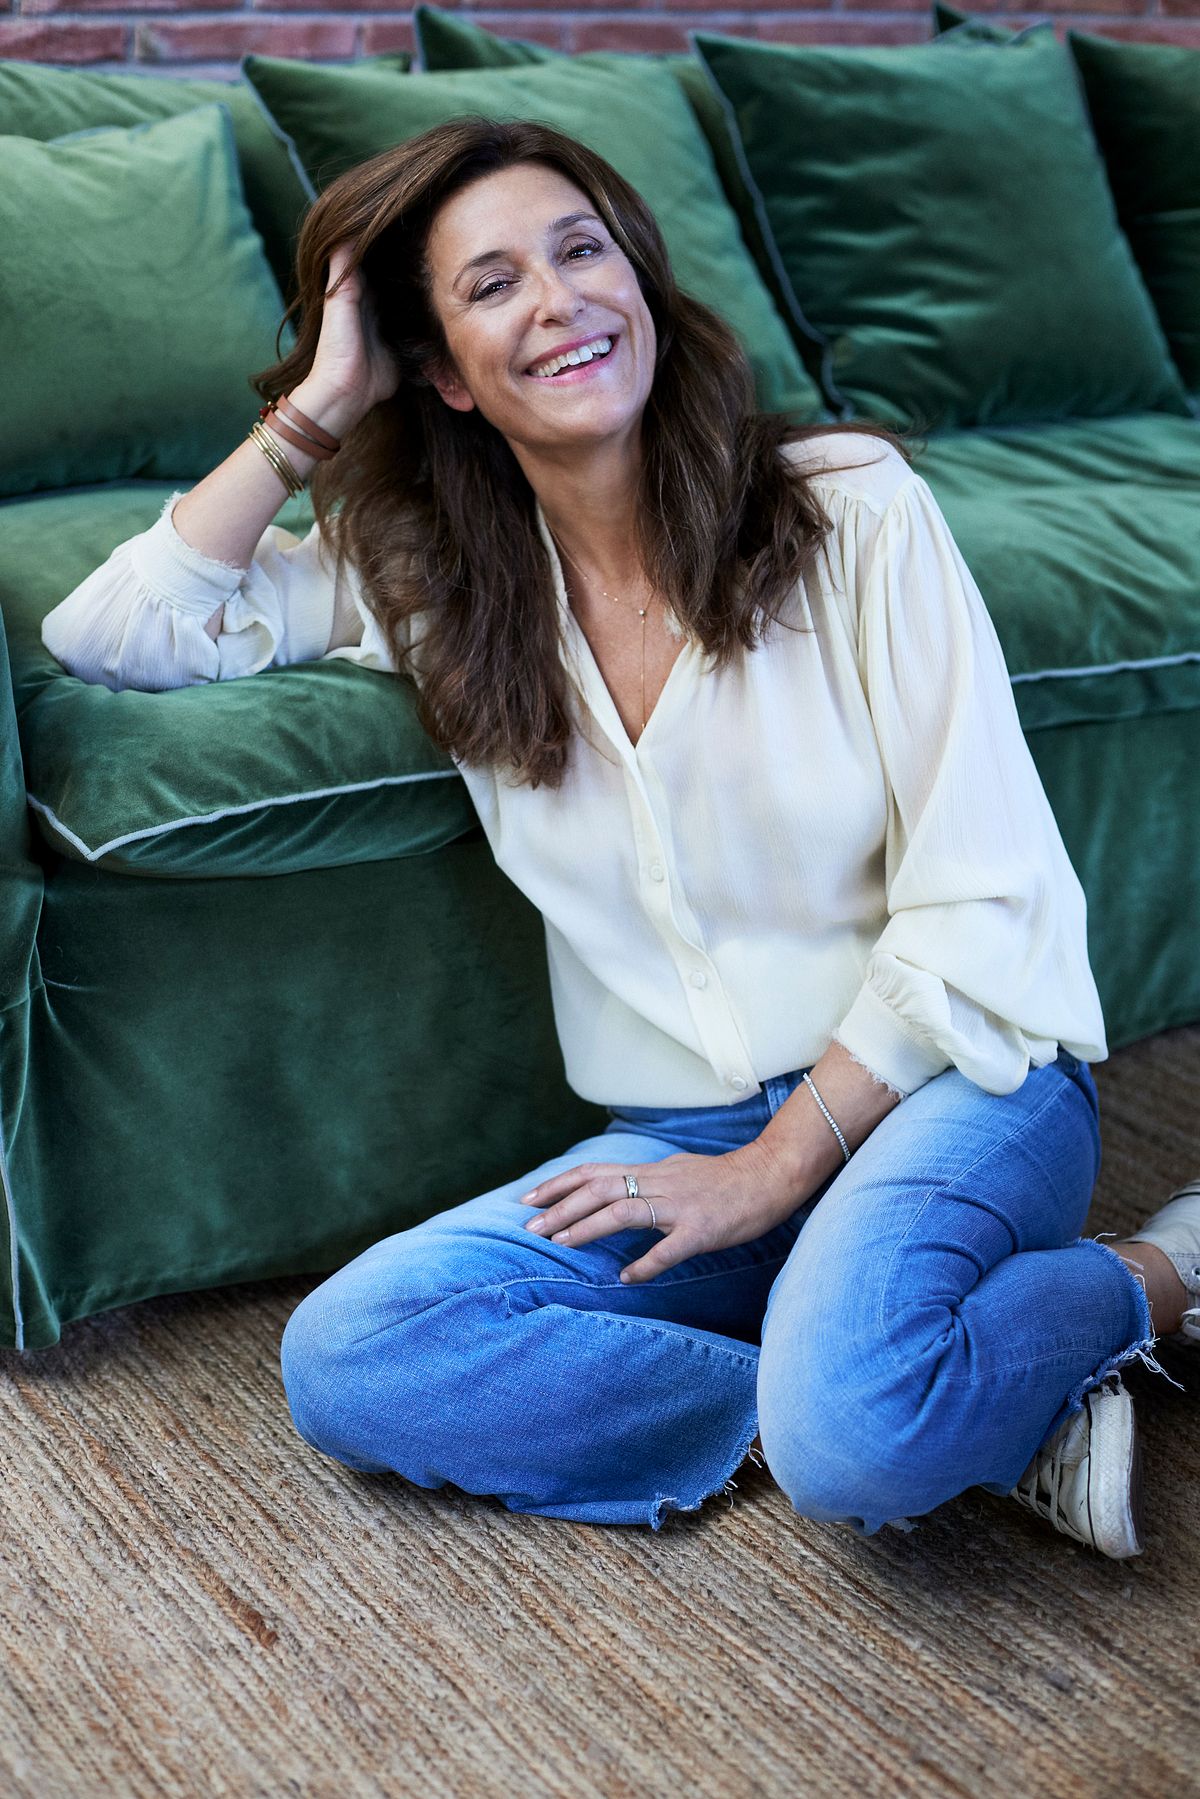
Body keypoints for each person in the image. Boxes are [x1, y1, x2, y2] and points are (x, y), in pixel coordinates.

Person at [41, 117, 1200, 1560]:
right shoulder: (433, 584)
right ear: (442, 372)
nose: (559, 300)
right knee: (354, 1350)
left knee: (858, 1434)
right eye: (492, 286)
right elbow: (117, 630)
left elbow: (989, 900)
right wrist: (322, 400)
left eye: (582, 251)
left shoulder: (852, 508)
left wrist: (771, 1171)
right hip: (682, 1134)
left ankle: (1152, 1278)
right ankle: (937, 1383)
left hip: (948, 1083)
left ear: (641, 281)